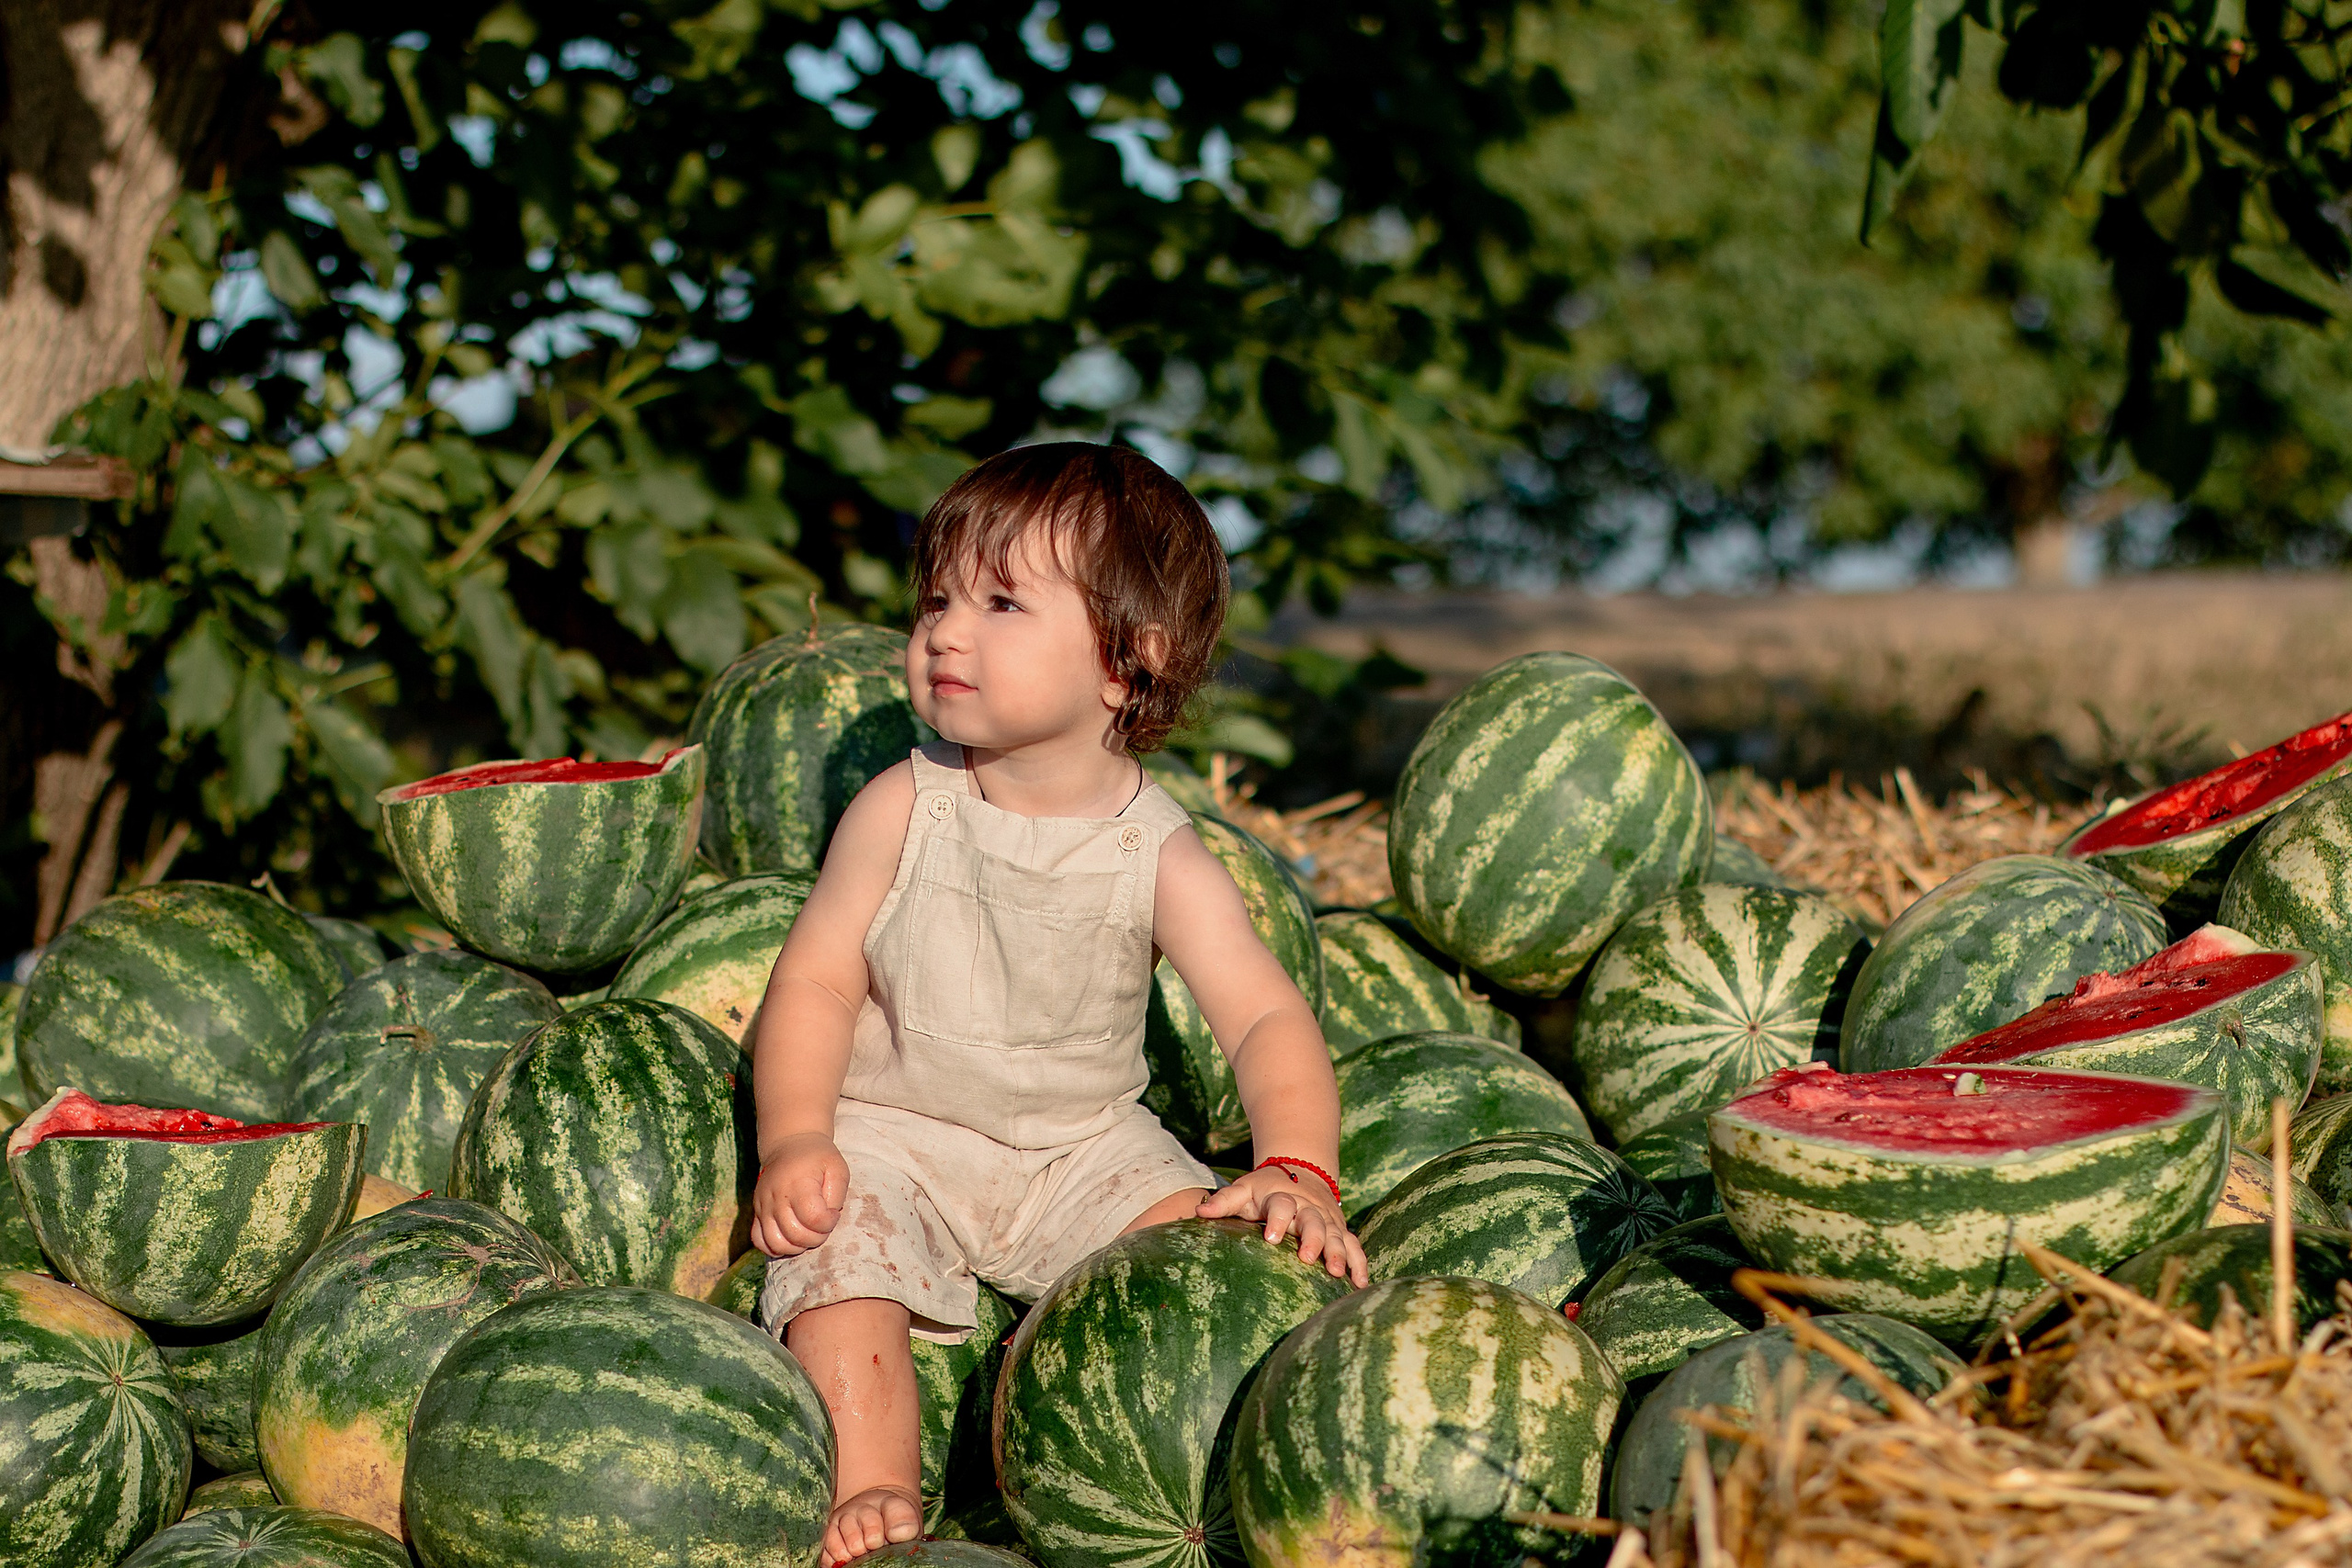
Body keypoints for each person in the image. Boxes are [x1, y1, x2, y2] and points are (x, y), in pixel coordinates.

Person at [748, 442, 1366, 1566]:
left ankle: (1216, 1486)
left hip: (1084, 1152)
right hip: (905, 1133)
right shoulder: (903, 805)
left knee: (1226, 1258)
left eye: (999, 601)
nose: (945, 630)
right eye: (936, 597)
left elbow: (1267, 1019)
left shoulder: (1161, 850)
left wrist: (1297, 1169)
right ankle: (871, 1487)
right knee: (838, 1265)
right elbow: (818, 979)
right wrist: (796, 1134)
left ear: (1129, 664)